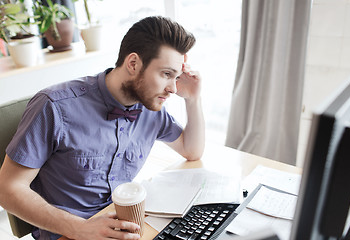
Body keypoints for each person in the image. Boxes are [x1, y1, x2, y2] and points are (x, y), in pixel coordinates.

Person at [0, 16, 205, 240]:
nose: (173, 88)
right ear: (133, 63)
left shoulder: (149, 108)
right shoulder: (54, 107)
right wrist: (79, 228)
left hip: (124, 225)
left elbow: (191, 150)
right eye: (166, 74)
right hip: (68, 233)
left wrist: (193, 99)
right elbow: (8, 189)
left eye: (176, 77)